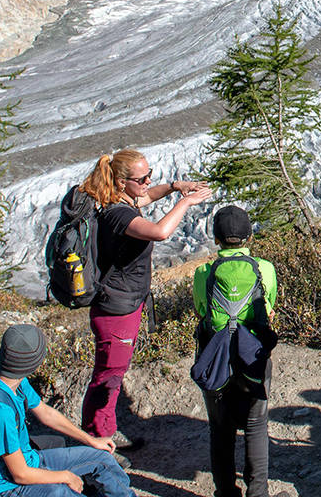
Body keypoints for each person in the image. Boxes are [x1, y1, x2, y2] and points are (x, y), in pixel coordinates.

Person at [77, 148, 211, 444]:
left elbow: (147, 197)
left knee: (112, 372)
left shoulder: (119, 200)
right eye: (142, 178)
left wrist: (175, 187)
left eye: (149, 175)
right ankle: (97, 439)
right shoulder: (118, 214)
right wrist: (186, 202)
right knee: (109, 376)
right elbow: (160, 232)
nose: (148, 182)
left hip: (124, 303)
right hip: (116, 309)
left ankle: (102, 430)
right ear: (121, 182)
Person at [0, 324, 133, 497]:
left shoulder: (15, 382)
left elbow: (46, 413)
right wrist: (66, 476)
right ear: (34, 364)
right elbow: (20, 474)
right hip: (7, 485)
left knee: (102, 459)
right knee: (62, 492)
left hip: (30, 460)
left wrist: (91, 441)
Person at [192, 206, 277, 497]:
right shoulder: (264, 269)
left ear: (216, 239)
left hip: (216, 357)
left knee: (220, 428)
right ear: (249, 236)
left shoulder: (203, 273)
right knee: (256, 425)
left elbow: (201, 310)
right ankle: (258, 493)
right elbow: (269, 307)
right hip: (252, 357)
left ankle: (226, 492)